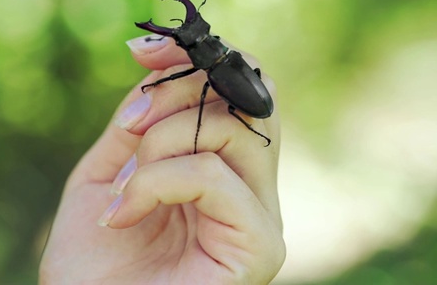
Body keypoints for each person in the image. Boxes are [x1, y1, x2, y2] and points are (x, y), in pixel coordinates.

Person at [40, 35, 285, 284]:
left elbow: (187, 85)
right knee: (225, 106)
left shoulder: (213, 75)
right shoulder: (226, 64)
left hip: (251, 102)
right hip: (252, 97)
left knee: (218, 103)